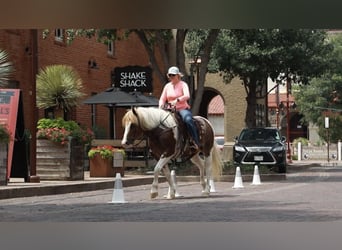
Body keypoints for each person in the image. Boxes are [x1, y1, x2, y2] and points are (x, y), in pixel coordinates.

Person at [159, 66, 200, 151]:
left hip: (182, 109)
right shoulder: (167, 86)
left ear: (178, 75)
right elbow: (162, 98)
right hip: (170, 109)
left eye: (173, 75)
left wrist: (177, 100)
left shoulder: (183, 84)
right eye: (169, 75)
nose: (171, 77)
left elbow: (187, 95)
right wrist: (160, 106)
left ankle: (195, 142)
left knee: (188, 120)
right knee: (159, 122)